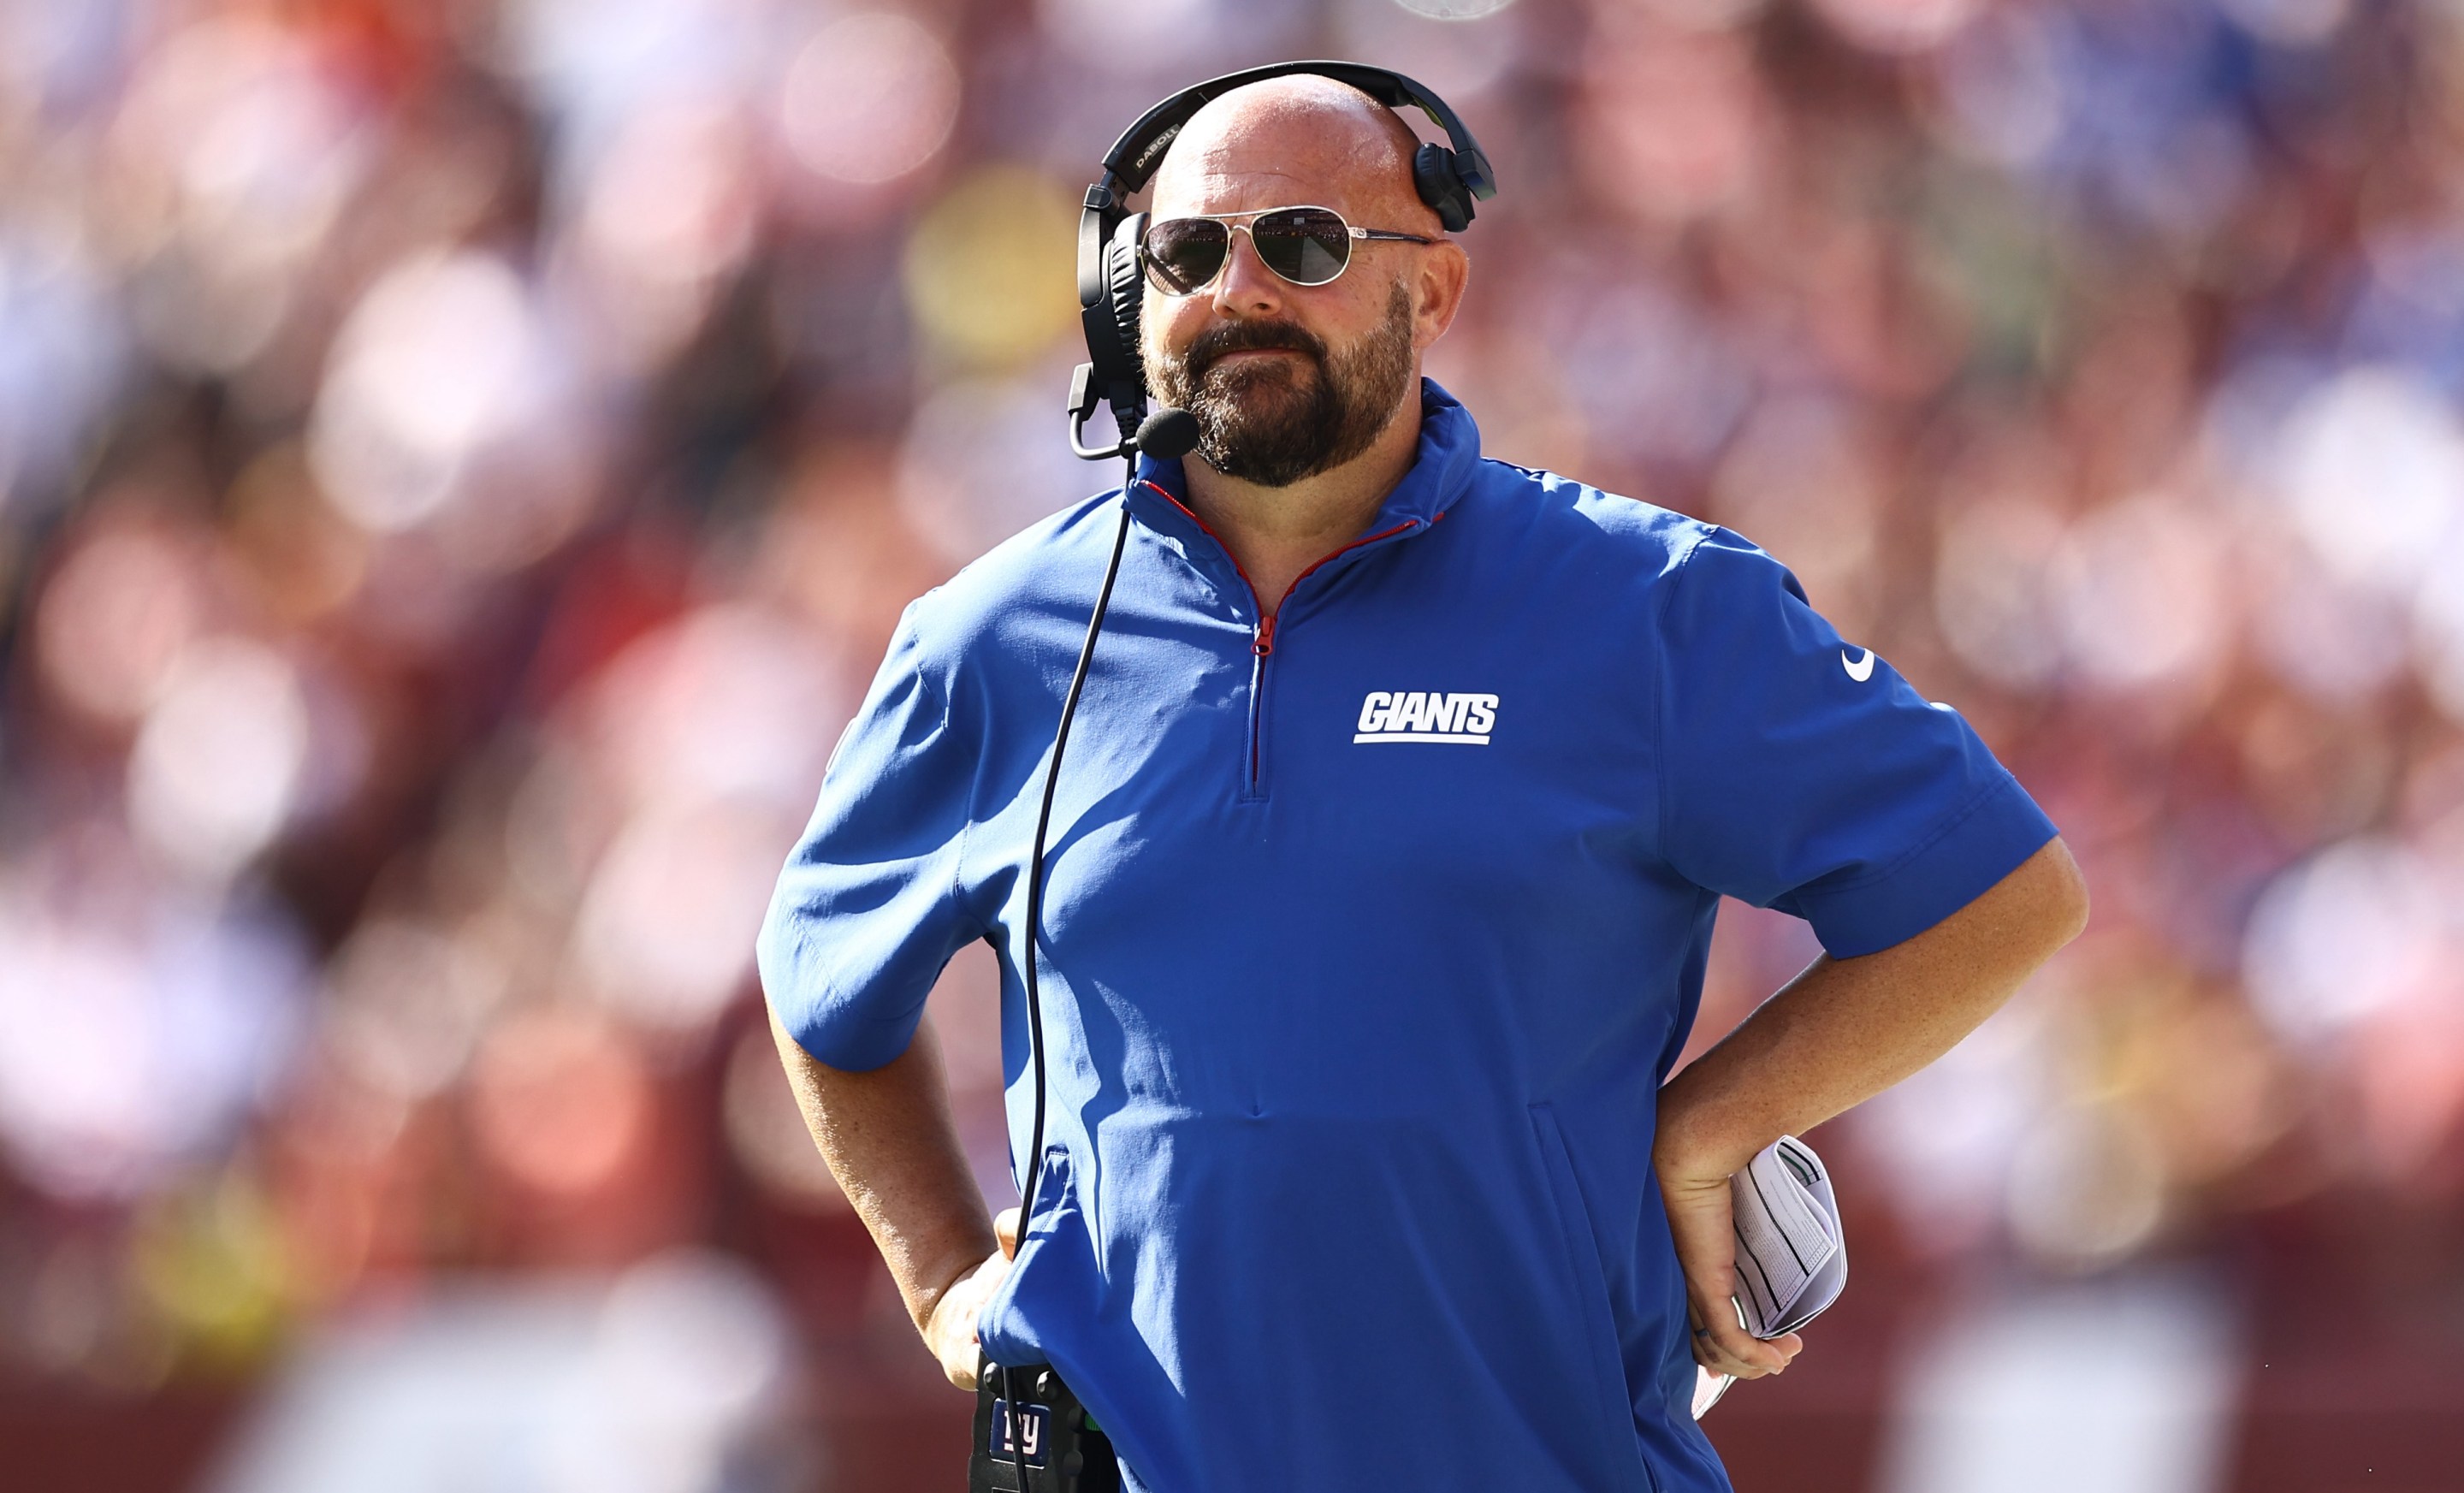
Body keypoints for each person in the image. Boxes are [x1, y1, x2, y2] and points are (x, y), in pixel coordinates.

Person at [757, 73, 2088, 1493]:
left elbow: (1999, 890)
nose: (1241, 288)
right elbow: (822, 976)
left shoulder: (1645, 604)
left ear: (1434, 289)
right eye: (1190, 255)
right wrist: (945, 1273)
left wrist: (1714, 1123)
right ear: (1120, 298)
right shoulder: (999, 636)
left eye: (1307, 243)